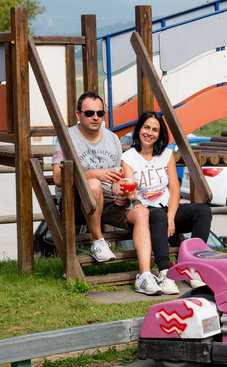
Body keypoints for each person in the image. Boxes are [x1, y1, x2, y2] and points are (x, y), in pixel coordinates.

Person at [52, 92, 158, 293]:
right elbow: (58, 177)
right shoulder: (66, 137)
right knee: (92, 184)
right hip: (74, 201)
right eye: (89, 112)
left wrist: (120, 190)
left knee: (142, 213)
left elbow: (117, 175)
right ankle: (98, 241)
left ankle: (144, 276)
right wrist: (94, 174)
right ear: (78, 114)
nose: (95, 117)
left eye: (99, 113)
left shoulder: (111, 138)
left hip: (107, 199)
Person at [122, 111, 212, 295]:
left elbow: (174, 189)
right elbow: (130, 188)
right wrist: (130, 195)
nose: (149, 132)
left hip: (167, 209)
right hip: (147, 210)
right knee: (157, 215)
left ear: (159, 134)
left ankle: (193, 266)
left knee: (203, 211)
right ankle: (165, 273)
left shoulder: (166, 154)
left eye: (155, 130)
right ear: (139, 129)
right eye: (146, 127)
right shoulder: (129, 157)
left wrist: (172, 217)